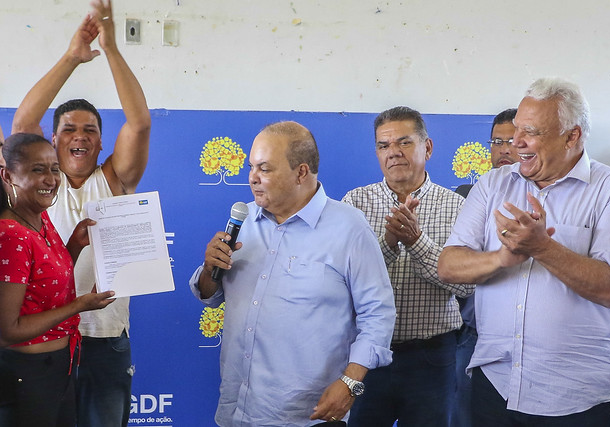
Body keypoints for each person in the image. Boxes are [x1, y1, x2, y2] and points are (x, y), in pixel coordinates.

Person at [438, 77, 610, 426]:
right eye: (516, 130)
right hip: (496, 385)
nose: (516, 143)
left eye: (530, 132)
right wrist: (502, 258)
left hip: (576, 398)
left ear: (572, 136)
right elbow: (448, 266)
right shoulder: (492, 184)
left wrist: (542, 248)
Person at [189, 121, 396, 426]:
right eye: (251, 168)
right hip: (238, 410)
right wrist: (209, 270)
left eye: (265, 169)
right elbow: (210, 294)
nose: (252, 179)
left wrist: (351, 383)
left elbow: (378, 314)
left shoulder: (349, 228)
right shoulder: (243, 220)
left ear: (301, 172)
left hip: (308, 415)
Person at [11, 1, 151, 425]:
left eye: (90, 130)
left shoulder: (114, 179)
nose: (80, 136)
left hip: (104, 338)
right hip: (47, 339)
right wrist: (73, 56)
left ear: (101, 143)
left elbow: (140, 123)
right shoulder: (40, 184)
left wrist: (110, 47)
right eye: (69, 128)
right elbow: (23, 120)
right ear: (52, 141)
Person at [342, 106, 474, 426]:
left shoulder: (458, 207)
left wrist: (416, 242)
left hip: (432, 357)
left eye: (404, 143)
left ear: (427, 147)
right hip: (367, 356)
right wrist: (386, 245)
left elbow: (467, 284)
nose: (394, 153)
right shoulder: (355, 204)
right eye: (384, 146)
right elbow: (342, 282)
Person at [0, 133, 114, 427]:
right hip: (27, 374)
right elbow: (9, 330)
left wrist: (74, 245)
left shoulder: (41, 218)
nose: (51, 179)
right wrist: (79, 306)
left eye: (54, 169)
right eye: (38, 170)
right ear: (8, 175)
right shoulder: (12, 233)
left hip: (59, 367)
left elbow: (47, 287)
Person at [452, 107, 517, 427]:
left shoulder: (547, 199)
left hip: (520, 338)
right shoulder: (470, 194)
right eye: (497, 141)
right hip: (470, 331)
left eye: (512, 140)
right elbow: (452, 264)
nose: (504, 149)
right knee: (465, 416)